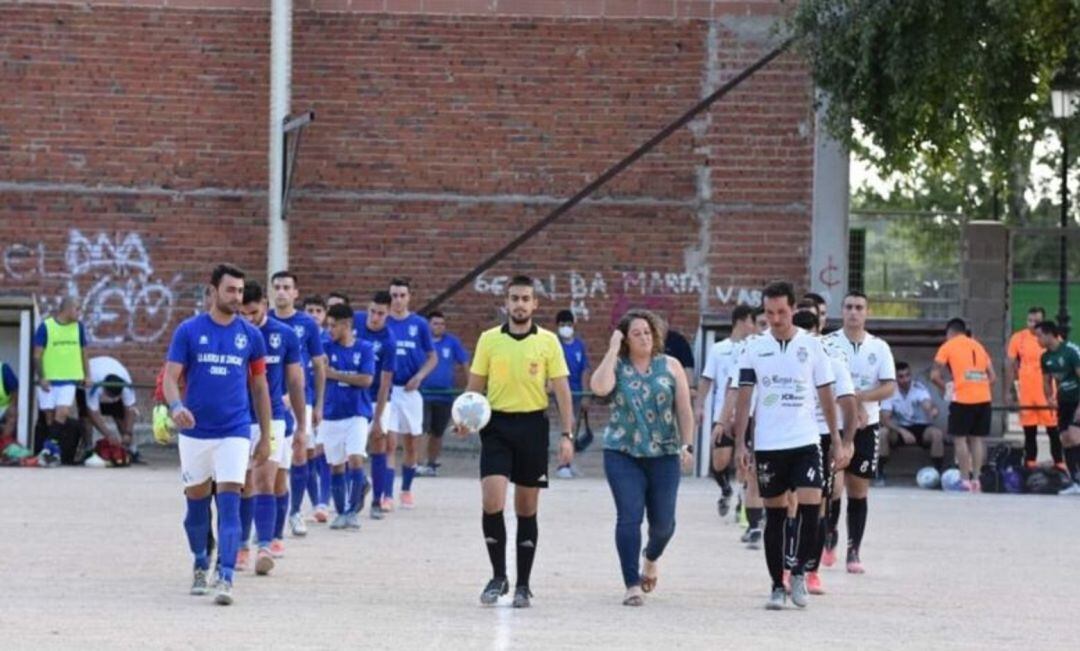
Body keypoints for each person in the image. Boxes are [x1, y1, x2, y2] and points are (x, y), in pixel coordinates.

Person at [456, 274, 574, 608]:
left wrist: (567, 435)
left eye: (526, 298)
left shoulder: (549, 342)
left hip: (533, 428)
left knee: (526, 507)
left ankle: (523, 583)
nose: (520, 304)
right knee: (492, 500)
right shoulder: (489, 340)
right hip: (496, 426)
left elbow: (563, 391)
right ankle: (498, 576)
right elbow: (474, 386)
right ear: (506, 303)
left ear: (535, 304)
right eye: (514, 298)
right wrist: (463, 419)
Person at [163, 263, 272, 605]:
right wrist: (177, 406)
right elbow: (169, 377)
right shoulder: (189, 330)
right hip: (195, 432)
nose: (237, 297)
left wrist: (266, 436)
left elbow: (259, 387)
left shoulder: (251, 336)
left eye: (240, 291)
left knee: (230, 502)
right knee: (196, 506)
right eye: (230, 290)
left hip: (234, 431)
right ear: (213, 291)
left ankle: (225, 575)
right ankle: (200, 561)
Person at [733, 282, 846, 610]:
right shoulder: (753, 348)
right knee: (777, 515)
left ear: (794, 310)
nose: (776, 318)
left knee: (812, 506)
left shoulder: (812, 347)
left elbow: (827, 394)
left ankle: (799, 571)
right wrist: (742, 443)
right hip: (769, 445)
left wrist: (836, 439)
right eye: (769, 313)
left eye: (782, 312)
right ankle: (776, 585)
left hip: (806, 441)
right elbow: (744, 400)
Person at [590, 309, 694, 606]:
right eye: (636, 333)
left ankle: (651, 557)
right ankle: (631, 583)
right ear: (625, 339)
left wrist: (687, 446)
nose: (644, 337)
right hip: (623, 451)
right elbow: (599, 387)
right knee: (629, 516)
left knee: (664, 524)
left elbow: (684, 410)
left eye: (647, 332)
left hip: (663, 452)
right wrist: (612, 349)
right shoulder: (618, 365)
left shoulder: (671, 366)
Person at [823, 291, 896, 574]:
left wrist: (860, 397)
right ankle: (830, 535)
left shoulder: (879, 348)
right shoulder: (828, 344)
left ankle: (854, 550)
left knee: (859, 489)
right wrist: (847, 404)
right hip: (836, 425)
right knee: (834, 486)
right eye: (849, 307)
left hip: (868, 425)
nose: (854, 312)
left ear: (867, 312)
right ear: (841, 311)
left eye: (859, 308)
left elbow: (889, 386)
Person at [236, 281, 306, 573]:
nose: (248, 319)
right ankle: (241, 545)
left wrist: (302, 426)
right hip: (239, 417)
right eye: (243, 313)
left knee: (266, 480)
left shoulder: (284, 335)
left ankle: (264, 545)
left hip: (273, 417)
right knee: (242, 484)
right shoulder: (233, 333)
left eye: (252, 312)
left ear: (264, 304)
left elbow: (295, 381)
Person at [791, 305, 856, 597]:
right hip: (790, 437)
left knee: (817, 505)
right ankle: (787, 564)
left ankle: (811, 570)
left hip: (822, 438)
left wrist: (845, 441)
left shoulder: (833, 360)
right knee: (788, 505)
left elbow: (849, 403)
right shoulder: (786, 359)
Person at [267, 271, 325, 538]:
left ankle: (296, 512)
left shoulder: (307, 324)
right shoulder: (262, 320)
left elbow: (318, 365)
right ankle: (267, 516)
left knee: (300, 451)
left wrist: (319, 403)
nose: (281, 292)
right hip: (270, 398)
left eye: (286, 287)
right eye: (277, 287)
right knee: (272, 459)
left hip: (301, 397)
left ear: (295, 293)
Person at [383, 278, 437, 509]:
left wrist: (419, 376)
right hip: (389, 391)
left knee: (411, 444)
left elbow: (432, 357)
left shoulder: (419, 324)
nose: (397, 300)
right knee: (389, 442)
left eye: (402, 295)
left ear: (409, 297)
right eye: (394, 295)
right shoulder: (383, 322)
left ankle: (406, 489)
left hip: (410, 391)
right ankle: (386, 493)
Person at [696, 304, 755, 516]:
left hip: (746, 414)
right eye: (752, 321)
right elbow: (707, 378)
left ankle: (742, 498)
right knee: (719, 462)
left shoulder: (754, 348)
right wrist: (700, 405)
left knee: (744, 459)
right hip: (722, 412)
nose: (754, 326)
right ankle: (726, 489)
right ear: (741, 322)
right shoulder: (719, 349)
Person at [322, 304, 376, 527]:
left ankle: (352, 511)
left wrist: (333, 374)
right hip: (331, 413)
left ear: (347, 325)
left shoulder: (364, 348)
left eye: (333, 325)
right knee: (336, 465)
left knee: (355, 458)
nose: (329, 330)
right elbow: (318, 374)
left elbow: (366, 379)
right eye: (328, 325)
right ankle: (341, 510)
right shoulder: (325, 348)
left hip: (357, 413)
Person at [931, 318, 995, 492]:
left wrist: (947, 387)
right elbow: (993, 376)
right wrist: (978, 385)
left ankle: (964, 479)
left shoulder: (948, 346)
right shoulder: (979, 346)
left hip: (962, 398)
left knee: (960, 439)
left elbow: (934, 375)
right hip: (983, 397)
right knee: (977, 439)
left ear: (949, 332)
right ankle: (977, 479)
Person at [33, 296, 92, 463]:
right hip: (49, 380)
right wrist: (42, 377)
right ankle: (53, 451)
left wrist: (87, 375)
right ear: (67, 309)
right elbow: (37, 355)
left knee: (63, 412)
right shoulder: (46, 327)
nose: (79, 312)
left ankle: (47, 448)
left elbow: (84, 353)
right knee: (50, 418)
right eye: (77, 309)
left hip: (69, 379)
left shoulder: (79, 328)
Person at [353, 291, 397, 518]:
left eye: (380, 313)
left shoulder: (389, 342)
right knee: (349, 451)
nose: (375, 317)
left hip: (376, 398)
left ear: (388, 313)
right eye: (372, 311)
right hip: (353, 395)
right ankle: (361, 483)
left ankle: (378, 501)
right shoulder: (356, 323)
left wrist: (378, 418)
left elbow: (385, 384)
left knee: (378, 443)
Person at [1006, 307, 1064, 470]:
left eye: (1036, 321)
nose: (1032, 324)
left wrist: (1058, 391)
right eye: (1029, 320)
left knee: (1053, 430)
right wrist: (1010, 390)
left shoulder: (1050, 338)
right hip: (1026, 391)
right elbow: (1010, 363)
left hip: (1046, 391)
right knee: (1029, 431)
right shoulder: (1018, 338)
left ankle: (1059, 464)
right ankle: (1030, 464)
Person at [418, 310, 469, 476]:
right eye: (435, 323)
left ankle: (431, 464)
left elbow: (464, 362)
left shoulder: (452, 342)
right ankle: (419, 464)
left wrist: (470, 387)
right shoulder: (421, 342)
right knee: (423, 429)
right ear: (428, 325)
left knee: (437, 432)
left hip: (445, 395)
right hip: (424, 394)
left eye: (442, 324)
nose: (440, 327)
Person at [1034, 321, 1080, 494]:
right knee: (1066, 440)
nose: (1037, 340)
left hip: (1077, 399)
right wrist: (1049, 398)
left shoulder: (1071, 351)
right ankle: (1075, 481)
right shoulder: (1045, 358)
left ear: (1049, 334)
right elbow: (1046, 381)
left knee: (1075, 437)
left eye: (1039, 336)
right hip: (1064, 402)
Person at [880, 361, 945, 474]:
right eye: (901, 377)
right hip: (899, 429)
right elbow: (885, 419)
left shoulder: (918, 388)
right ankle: (879, 473)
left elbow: (927, 403)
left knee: (937, 434)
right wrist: (903, 431)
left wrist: (932, 410)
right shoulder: (890, 390)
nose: (905, 379)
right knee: (882, 433)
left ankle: (937, 472)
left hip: (921, 427)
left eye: (907, 375)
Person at [79, 355, 138, 462]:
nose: (112, 400)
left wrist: (128, 433)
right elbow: (92, 412)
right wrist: (108, 434)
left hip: (111, 369)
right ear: (104, 390)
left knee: (121, 416)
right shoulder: (94, 384)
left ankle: (131, 449)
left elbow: (131, 408)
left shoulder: (126, 385)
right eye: (110, 397)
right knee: (85, 418)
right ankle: (87, 448)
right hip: (86, 378)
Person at [555, 309, 591, 479]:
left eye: (568, 325)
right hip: (561, 393)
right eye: (562, 325)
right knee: (568, 424)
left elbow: (585, 369)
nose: (566, 328)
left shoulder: (579, 345)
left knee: (574, 428)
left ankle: (569, 461)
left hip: (577, 392)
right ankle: (562, 465)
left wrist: (585, 394)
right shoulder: (555, 345)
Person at [0, 360, 19, 437]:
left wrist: (12, 405)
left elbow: (15, 390)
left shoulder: (3, 369)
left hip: (4, 408)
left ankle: (3, 443)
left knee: (12, 413)